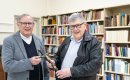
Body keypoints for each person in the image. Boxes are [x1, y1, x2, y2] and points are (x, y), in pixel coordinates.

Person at [48, 13, 102, 80]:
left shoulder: (93, 42)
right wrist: (54, 61)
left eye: (78, 25)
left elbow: (95, 65)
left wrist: (71, 71)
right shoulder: (67, 40)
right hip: (62, 77)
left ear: (85, 25)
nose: (75, 29)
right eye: (72, 26)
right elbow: (58, 55)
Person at [1, 14, 49, 80]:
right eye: (24, 23)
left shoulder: (39, 40)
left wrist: (46, 77)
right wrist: (29, 62)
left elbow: (44, 63)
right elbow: (7, 66)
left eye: (30, 23)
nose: (27, 26)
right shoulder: (9, 41)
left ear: (33, 25)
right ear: (18, 24)